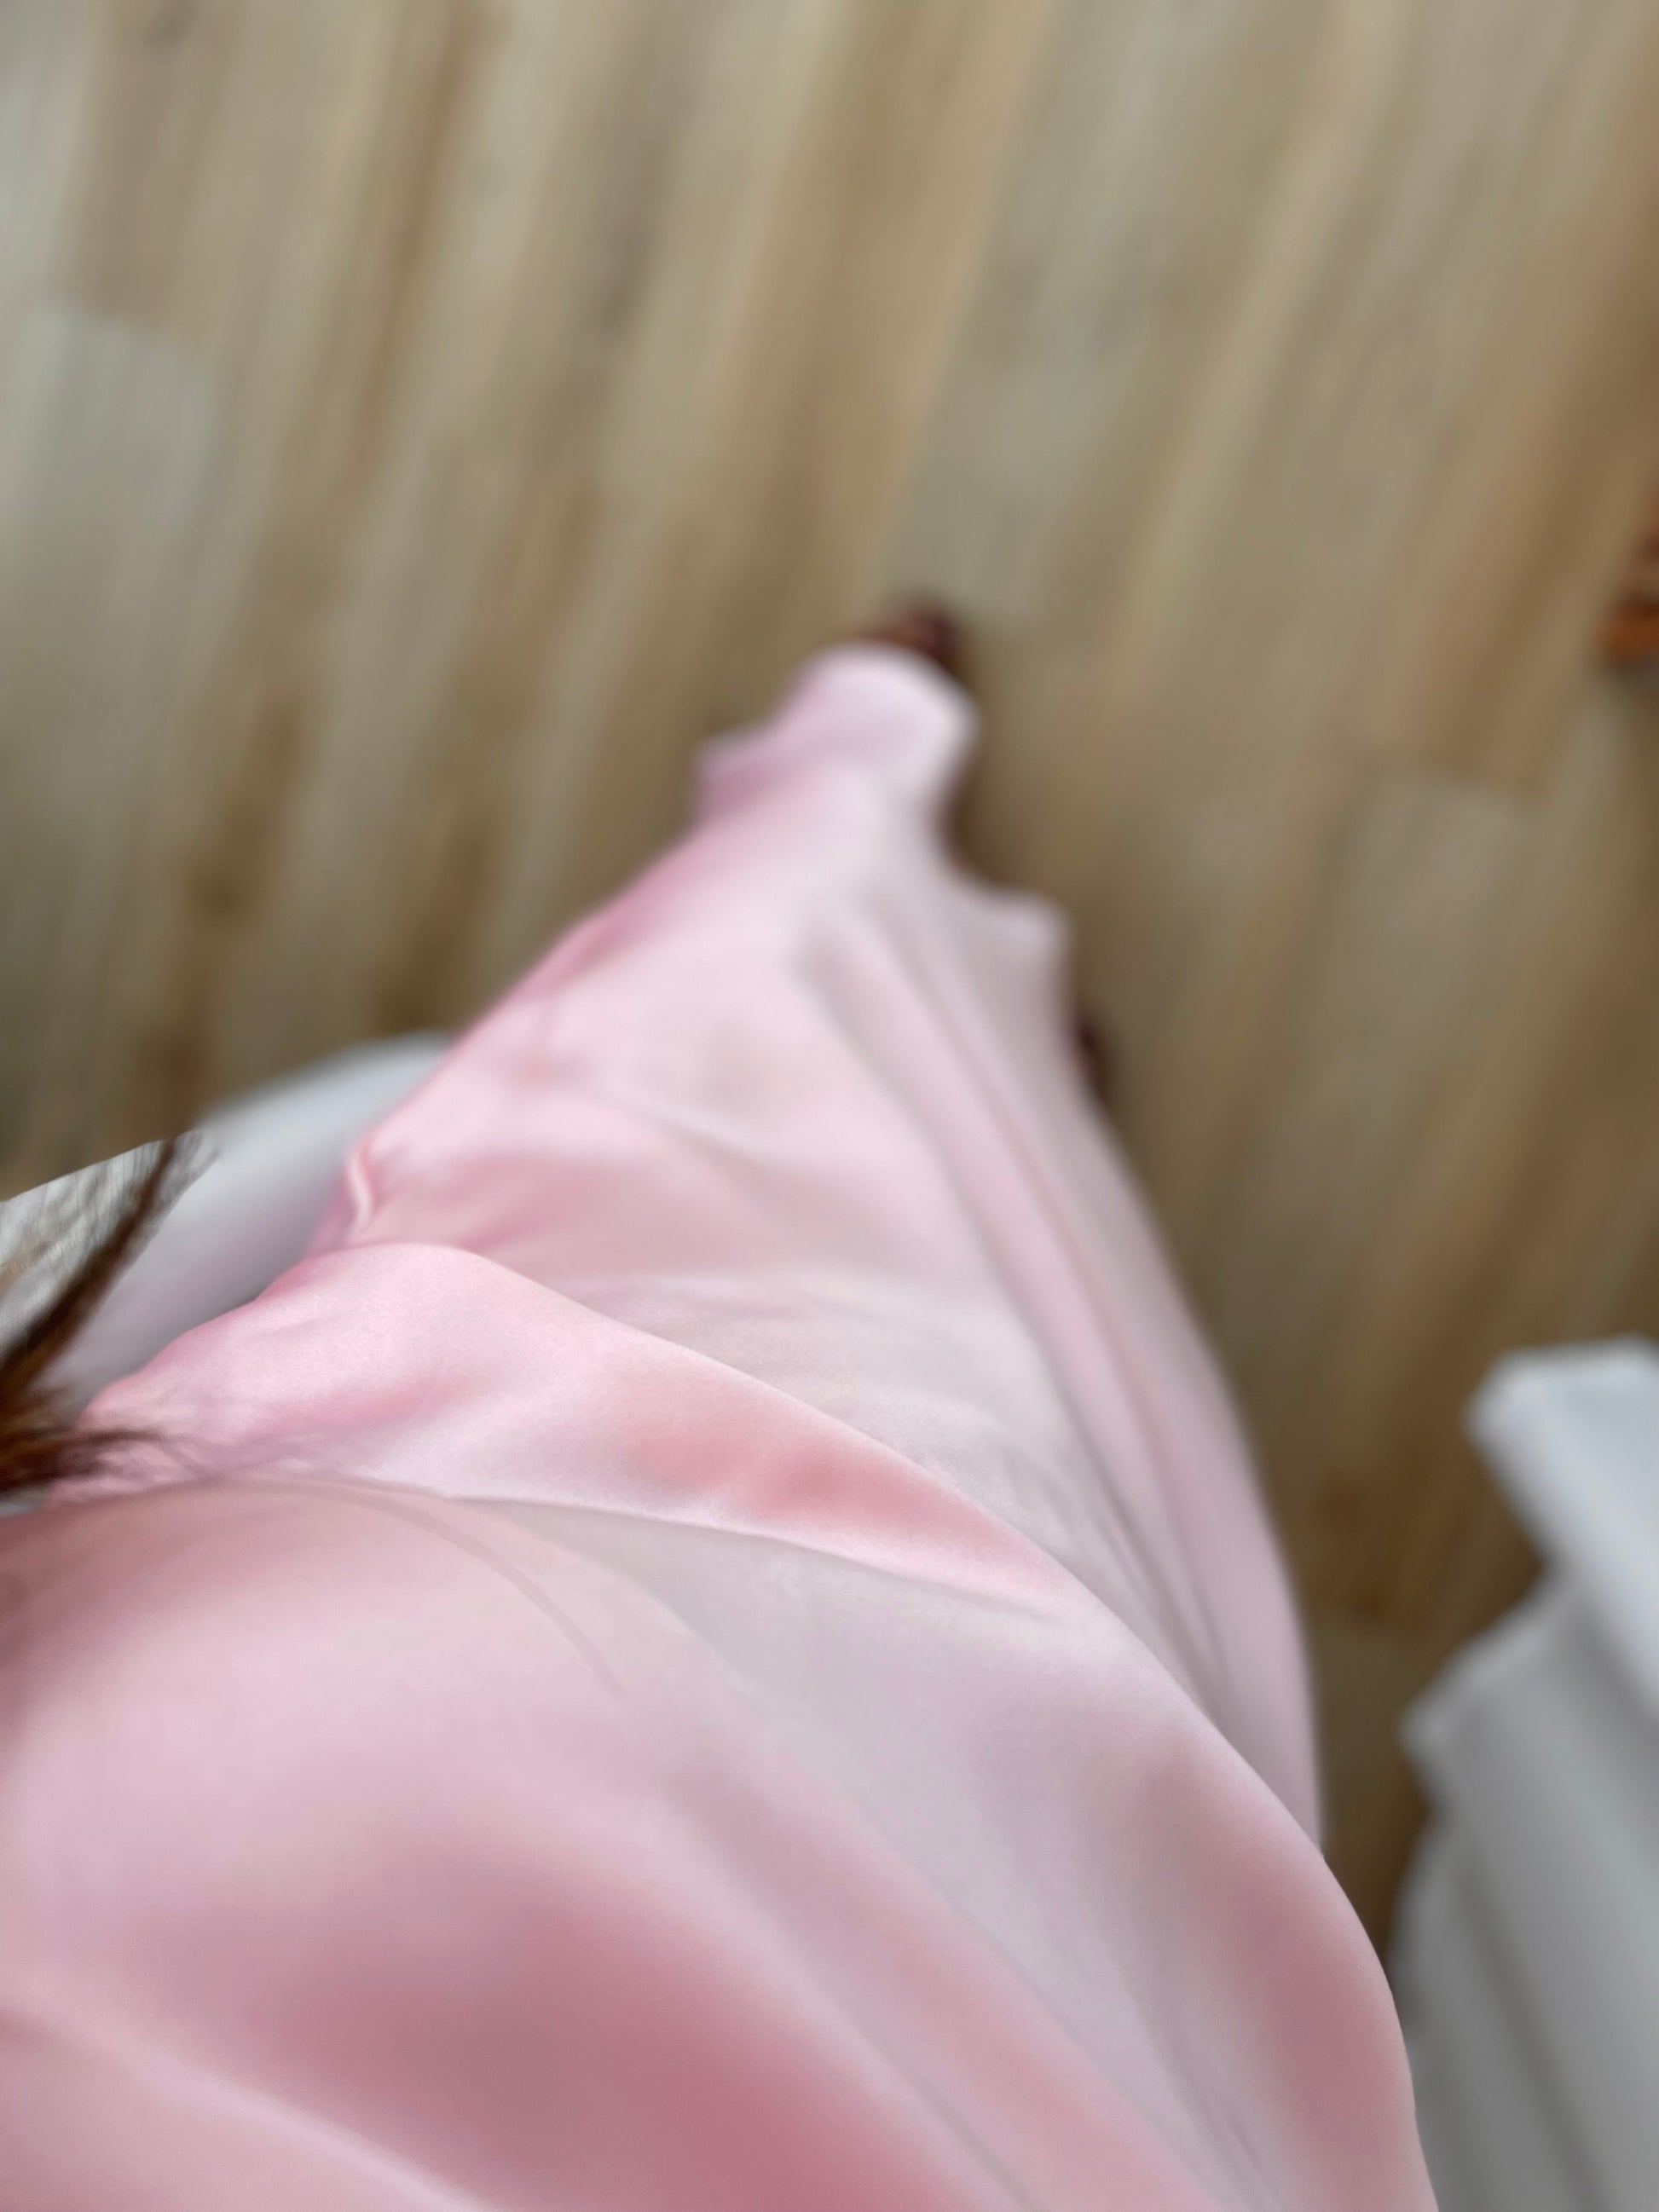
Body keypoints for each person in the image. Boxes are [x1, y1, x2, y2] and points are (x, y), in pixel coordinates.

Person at [0, 614, 1436, 2209]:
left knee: (765, 1197)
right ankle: (944, 1019)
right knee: (791, 1222)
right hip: (426, 1719)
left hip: (365, 1637)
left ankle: (955, 1042)